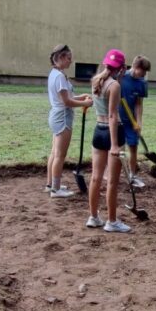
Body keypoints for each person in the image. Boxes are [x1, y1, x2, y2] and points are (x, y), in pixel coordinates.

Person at [86, 49, 132, 233]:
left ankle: (93, 217)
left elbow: (105, 107)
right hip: (114, 133)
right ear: (121, 68)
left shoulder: (97, 81)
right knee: (112, 181)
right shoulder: (115, 86)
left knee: (96, 177)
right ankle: (112, 222)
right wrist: (114, 144)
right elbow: (113, 115)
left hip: (98, 131)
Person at [45, 44, 93, 197]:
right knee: (60, 155)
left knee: (54, 153)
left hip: (56, 115)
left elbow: (68, 98)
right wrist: (85, 103)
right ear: (60, 58)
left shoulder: (55, 73)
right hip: (62, 118)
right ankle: (56, 190)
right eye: (68, 58)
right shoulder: (59, 76)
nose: (70, 62)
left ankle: (50, 184)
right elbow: (67, 102)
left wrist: (81, 96)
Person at [118, 55, 151, 188]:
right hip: (118, 119)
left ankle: (132, 176)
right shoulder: (121, 77)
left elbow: (138, 104)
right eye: (142, 71)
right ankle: (114, 175)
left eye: (145, 72)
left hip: (131, 121)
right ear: (135, 67)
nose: (143, 74)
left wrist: (138, 122)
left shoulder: (142, 83)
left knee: (133, 147)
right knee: (119, 150)